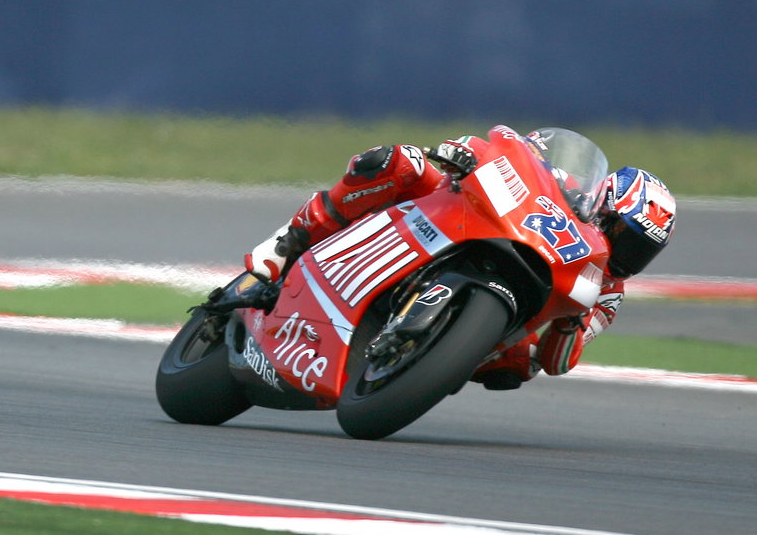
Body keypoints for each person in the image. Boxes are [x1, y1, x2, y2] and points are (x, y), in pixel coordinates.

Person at [225, 127, 677, 391]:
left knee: (521, 363)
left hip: (522, 298)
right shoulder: (568, 183)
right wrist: (463, 151)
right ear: (604, 204)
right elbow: (512, 151)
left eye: (642, 250)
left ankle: (429, 361)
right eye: (624, 234)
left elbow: (557, 362)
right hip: (473, 218)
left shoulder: (606, 292)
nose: (627, 253)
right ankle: (283, 248)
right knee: (396, 161)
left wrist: (572, 322)